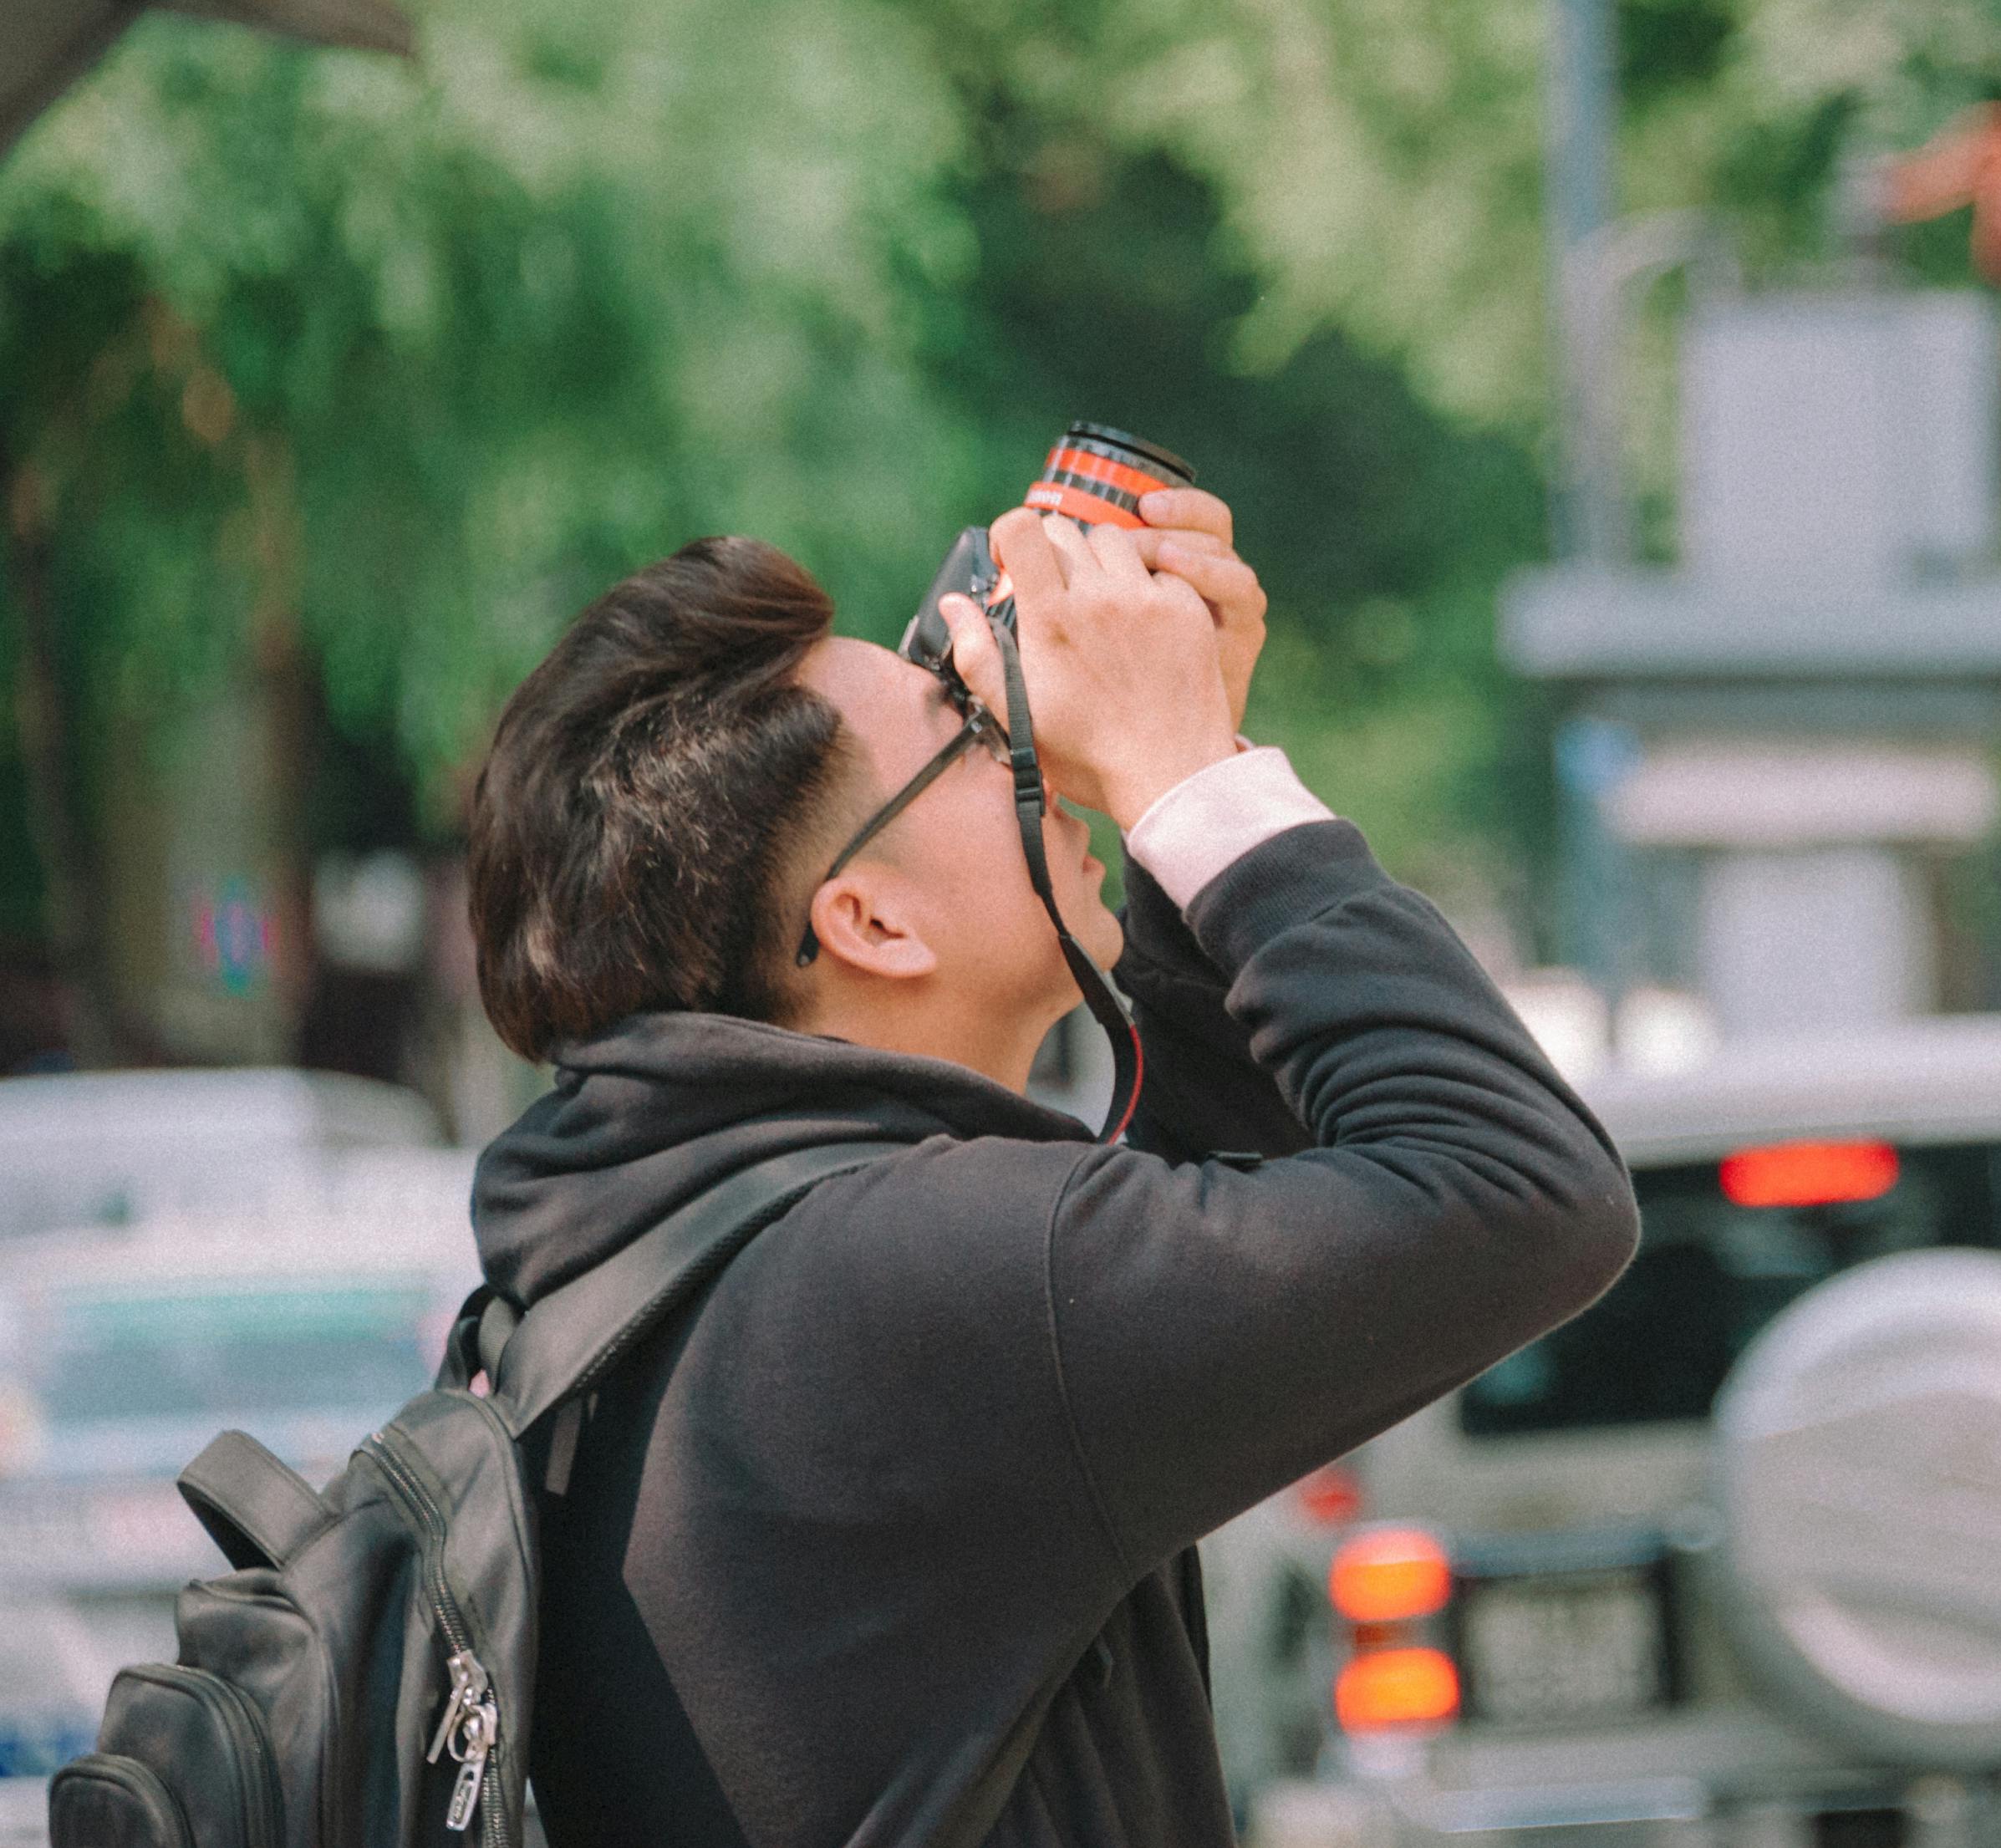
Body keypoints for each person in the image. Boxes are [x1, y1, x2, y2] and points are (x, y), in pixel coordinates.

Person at [460, 496, 1640, 1848]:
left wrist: (1189, 769)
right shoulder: (901, 1278)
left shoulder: (662, 1265)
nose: (1029, 742)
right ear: (870, 918)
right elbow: (1525, 1188)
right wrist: (1182, 772)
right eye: (966, 729)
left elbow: (1242, 1213)